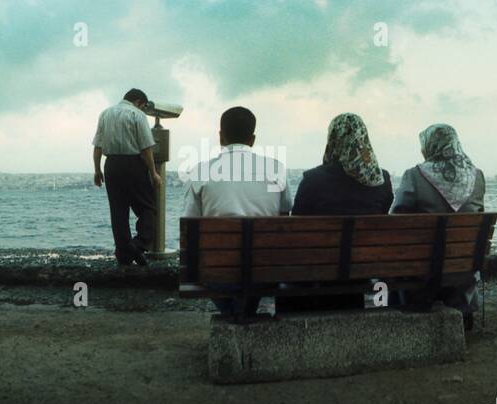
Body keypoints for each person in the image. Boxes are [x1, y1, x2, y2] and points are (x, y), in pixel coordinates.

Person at [181, 106, 291, 317]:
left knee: (215, 269)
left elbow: (190, 227)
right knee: (255, 269)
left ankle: (235, 315)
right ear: (252, 139)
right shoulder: (276, 169)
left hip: (217, 272)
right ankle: (243, 313)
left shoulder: (201, 171)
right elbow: (283, 217)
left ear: (221, 136)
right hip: (265, 272)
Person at [278, 113, 393, 312]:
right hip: (362, 268)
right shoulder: (382, 180)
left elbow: (297, 226)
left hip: (317, 269)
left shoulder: (313, 179)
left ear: (333, 139)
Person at [391, 123, 486, 323]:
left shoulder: (415, 176)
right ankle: (463, 310)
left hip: (424, 274)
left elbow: (395, 223)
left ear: (429, 146)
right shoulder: (477, 177)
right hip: (464, 270)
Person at [93, 88, 162, 266]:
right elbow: (146, 148)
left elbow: (98, 146)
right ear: (139, 102)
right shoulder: (137, 115)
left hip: (111, 166)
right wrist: (153, 173)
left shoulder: (105, 114)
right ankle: (137, 245)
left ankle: (123, 254)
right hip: (133, 164)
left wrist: (97, 170)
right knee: (148, 207)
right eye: (144, 106)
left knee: (118, 212)